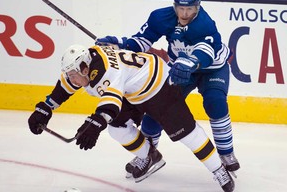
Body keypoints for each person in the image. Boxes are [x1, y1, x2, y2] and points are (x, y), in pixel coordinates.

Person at [28, 44, 235, 192]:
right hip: (130, 89)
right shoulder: (86, 62)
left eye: (73, 74)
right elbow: (66, 86)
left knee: (188, 135)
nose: (71, 79)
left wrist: (94, 124)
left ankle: (219, 169)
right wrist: (46, 108)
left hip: (158, 86)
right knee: (116, 128)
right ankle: (150, 156)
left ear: (84, 68)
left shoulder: (106, 71)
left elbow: (110, 105)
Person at [96, 0, 241, 178]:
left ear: (197, 7)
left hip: (212, 68)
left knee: (215, 103)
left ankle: (226, 154)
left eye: (189, 8)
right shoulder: (161, 17)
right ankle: (148, 154)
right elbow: (142, 41)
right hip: (181, 68)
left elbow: (205, 52)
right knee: (156, 107)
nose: (184, 13)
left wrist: (190, 62)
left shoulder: (205, 24)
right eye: (180, 8)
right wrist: (120, 44)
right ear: (174, 5)